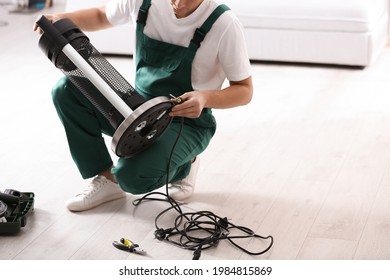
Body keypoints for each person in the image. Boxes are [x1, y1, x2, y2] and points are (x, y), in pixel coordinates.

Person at [33, 0, 253, 212]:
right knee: (66, 89)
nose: (179, 3)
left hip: (187, 121)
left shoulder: (224, 24)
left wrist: (205, 98)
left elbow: (244, 90)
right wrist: (61, 19)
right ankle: (108, 179)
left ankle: (186, 164)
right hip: (135, 107)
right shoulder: (144, 1)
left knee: (131, 179)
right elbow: (102, 15)